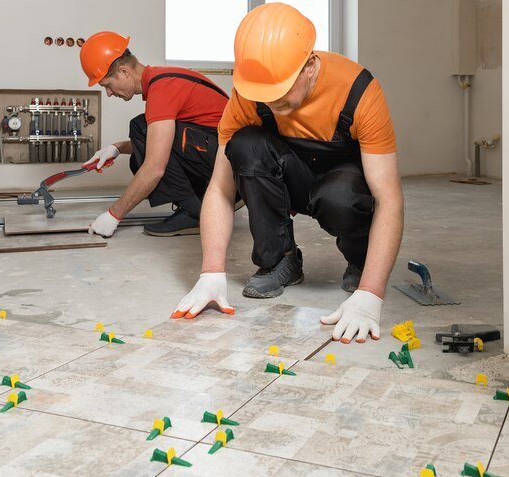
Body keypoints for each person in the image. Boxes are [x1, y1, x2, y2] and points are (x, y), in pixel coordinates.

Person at [172, 3, 404, 344]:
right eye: (262, 95)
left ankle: (360, 261)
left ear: (309, 66)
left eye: (279, 93)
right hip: (290, 174)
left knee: (341, 196)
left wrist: (372, 292)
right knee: (246, 145)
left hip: (341, 181)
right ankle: (279, 261)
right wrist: (211, 272)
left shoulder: (358, 91)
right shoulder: (249, 94)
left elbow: (389, 199)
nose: (269, 102)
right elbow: (221, 191)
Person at [79, 31, 230, 237]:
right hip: (220, 156)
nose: (109, 93)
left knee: (140, 128)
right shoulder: (162, 78)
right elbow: (164, 140)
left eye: (107, 85)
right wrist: (116, 148)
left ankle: (194, 212)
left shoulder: (162, 89)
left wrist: (114, 215)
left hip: (228, 167)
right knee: (140, 142)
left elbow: (155, 168)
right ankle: (199, 202)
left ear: (123, 72)